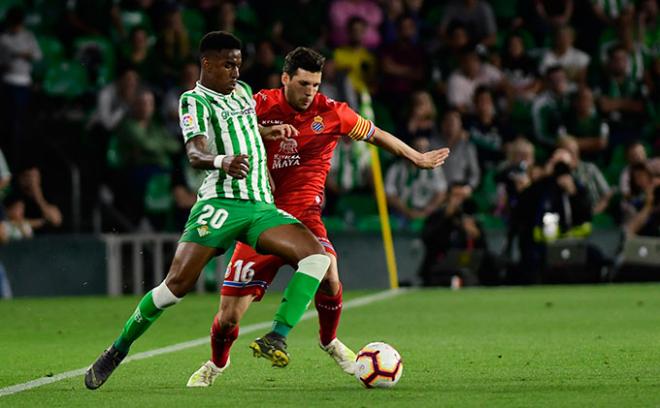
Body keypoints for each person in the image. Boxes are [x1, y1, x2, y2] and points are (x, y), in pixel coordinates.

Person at [84, 32, 338, 390]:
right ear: (207, 63)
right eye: (228, 64)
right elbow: (194, 152)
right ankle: (117, 349)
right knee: (174, 288)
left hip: (260, 204)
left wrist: (269, 130)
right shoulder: (193, 102)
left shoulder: (243, 92)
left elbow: (247, 126)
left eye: (238, 63)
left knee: (316, 257)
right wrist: (222, 161)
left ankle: (277, 336)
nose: (236, 71)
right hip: (219, 203)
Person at [186, 46, 450, 387]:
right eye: (303, 84)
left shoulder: (333, 113)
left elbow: (376, 135)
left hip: (305, 216)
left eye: (315, 84)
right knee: (228, 317)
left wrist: (416, 157)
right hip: (259, 217)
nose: (310, 92)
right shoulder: (260, 106)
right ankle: (216, 365)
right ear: (285, 79)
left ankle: (327, 341)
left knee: (328, 269)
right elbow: (223, 126)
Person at [385, 136, 447, 221]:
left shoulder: (434, 169)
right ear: (409, 148)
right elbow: (389, 194)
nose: (421, 151)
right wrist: (407, 212)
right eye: (417, 148)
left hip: (427, 213)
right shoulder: (396, 168)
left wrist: (426, 212)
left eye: (425, 148)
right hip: (400, 213)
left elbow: (441, 192)